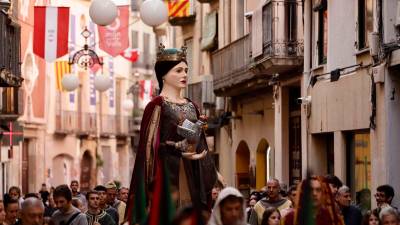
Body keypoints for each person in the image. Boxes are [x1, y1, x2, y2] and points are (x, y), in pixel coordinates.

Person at [126, 44, 217, 223]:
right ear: (164, 75)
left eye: (186, 70)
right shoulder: (157, 105)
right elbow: (149, 148)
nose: (184, 75)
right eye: (178, 70)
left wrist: (210, 170)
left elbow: (201, 142)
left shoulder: (192, 106)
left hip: (193, 174)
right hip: (168, 173)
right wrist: (176, 147)